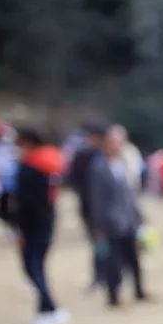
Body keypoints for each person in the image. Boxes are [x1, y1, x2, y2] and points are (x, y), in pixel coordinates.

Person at [13, 129, 70, 324]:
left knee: (32, 266)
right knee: (37, 266)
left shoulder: (29, 167)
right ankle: (45, 308)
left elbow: (24, 202)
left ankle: (49, 307)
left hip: (31, 225)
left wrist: (18, 228)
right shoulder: (48, 163)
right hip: (47, 221)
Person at [88, 127, 147, 307]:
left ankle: (139, 291)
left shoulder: (124, 163)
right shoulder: (99, 167)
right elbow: (96, 199)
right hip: (110, 223)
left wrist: (138, 214)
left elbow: (130, 193)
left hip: (128, 219)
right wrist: (99, 226)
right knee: (113, 261)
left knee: (134, 258)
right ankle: (113, 296)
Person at [68, 123, 110, 290]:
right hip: (93, 207)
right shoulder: (88, 156)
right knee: (100, 242)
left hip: (99, 206)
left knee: (105, 242)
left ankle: (106, 273)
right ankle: (101, 275)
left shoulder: (103, 154)